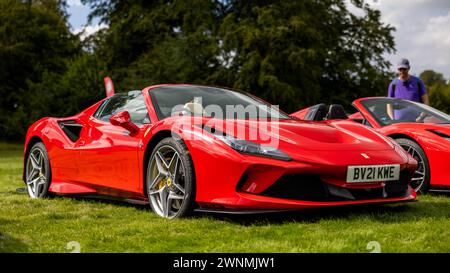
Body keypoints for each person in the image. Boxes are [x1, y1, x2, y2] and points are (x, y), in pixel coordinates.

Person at [387, 58, 429, 122]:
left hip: (417, 123)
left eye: (404, 69)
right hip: (399, 124)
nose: (402, 71)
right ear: (397, 69)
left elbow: (426, 101)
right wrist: (392, 119)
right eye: (400, 69)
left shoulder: (418, 82)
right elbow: (389, 104)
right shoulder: (393, 84)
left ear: (409, 68)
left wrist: (421, 117)